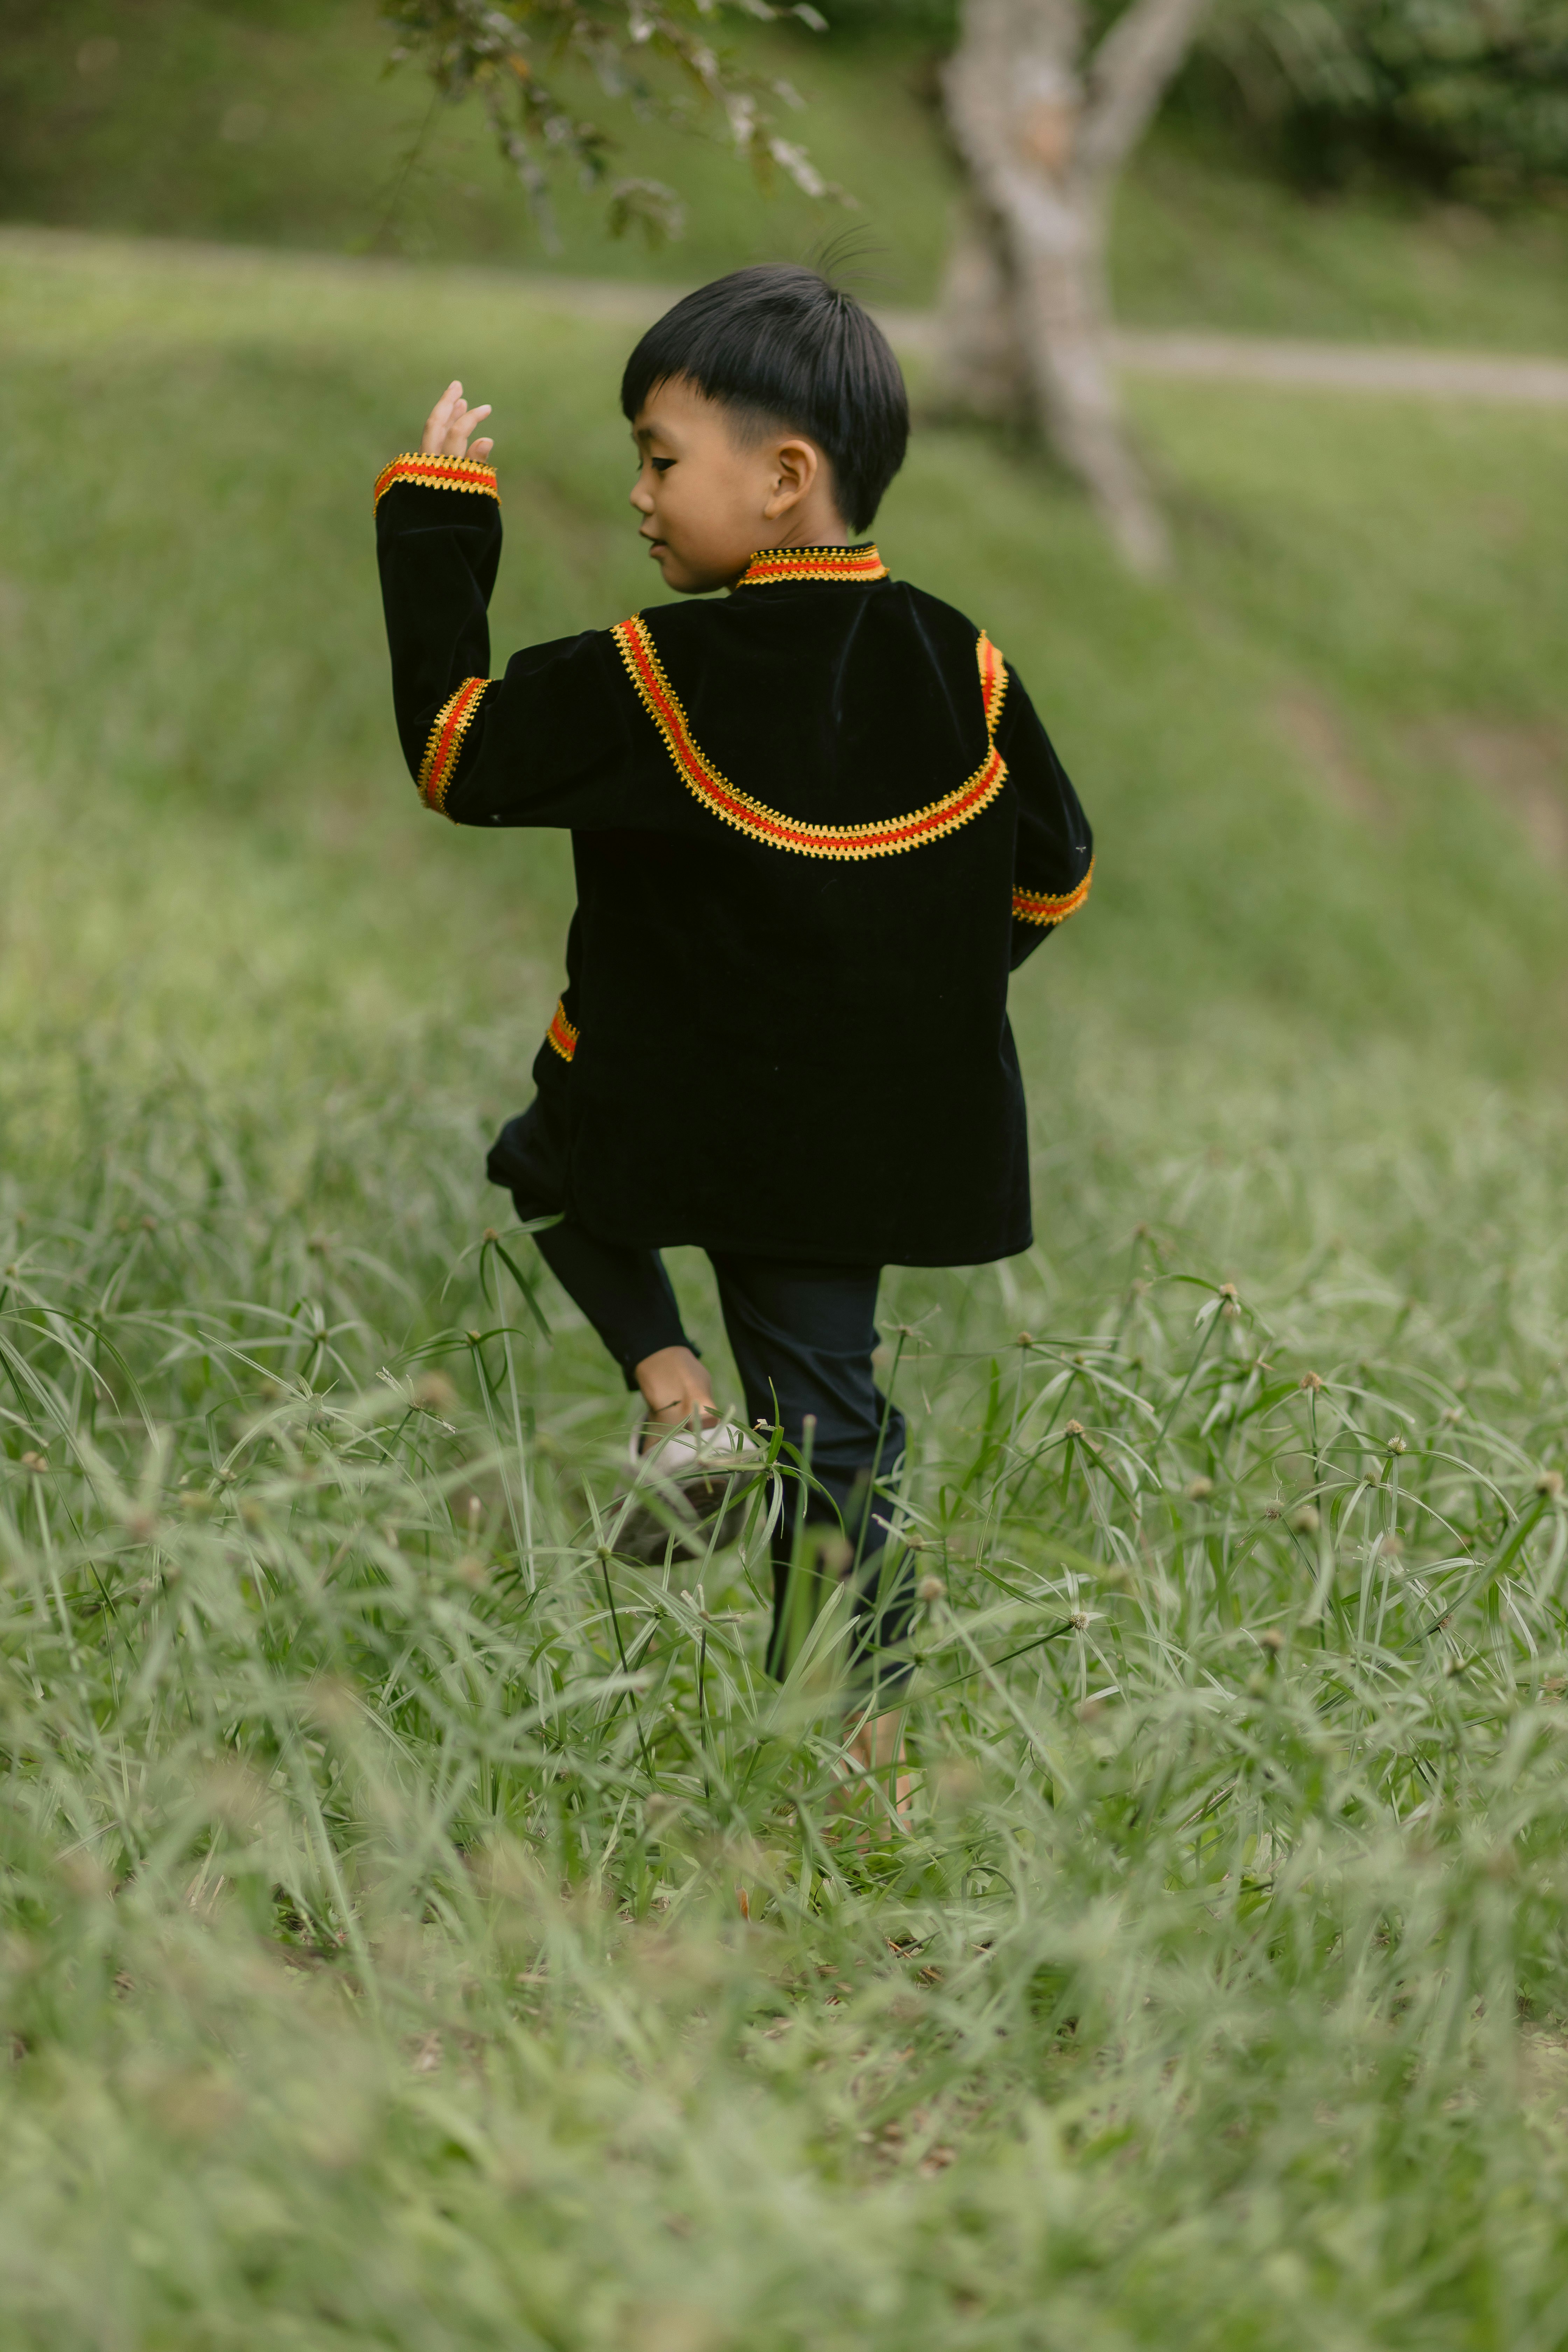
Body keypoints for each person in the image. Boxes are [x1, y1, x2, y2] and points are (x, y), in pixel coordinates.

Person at [374, 264, 1092, 1816]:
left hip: (677, 1105)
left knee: (551, 1157)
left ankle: (679, 1409)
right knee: (835, 1419)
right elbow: (1057, 865)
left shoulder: (657, 670)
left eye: (657, 456)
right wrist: (909, 994)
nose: (637, 494)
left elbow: (457, 751)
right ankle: (866, 1755)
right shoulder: (962, 661)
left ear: (781, 480)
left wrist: (440, 514)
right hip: (873, 1134)